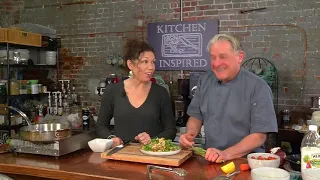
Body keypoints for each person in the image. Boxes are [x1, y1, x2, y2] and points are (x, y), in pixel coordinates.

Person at [179, 34, 278, 163]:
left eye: (223, 57)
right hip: (211, 158)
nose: (216, 63)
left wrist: (226, 154)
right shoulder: (205, 80)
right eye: (213, 57)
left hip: (245, 162)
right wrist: (190, 135)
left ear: (240, 57)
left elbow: (259, 136)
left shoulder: (258, 87)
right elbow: (196, 116)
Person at [96, 39, 176, 147]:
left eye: (153, 62)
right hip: (121, 155)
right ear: (130, 64)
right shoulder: (113, 91)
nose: (151, 67)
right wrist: (111, 139)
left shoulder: (161, 93)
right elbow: (101, 126)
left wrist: (153, 140)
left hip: (151, 156)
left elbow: (170, 130)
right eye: (145, 61)